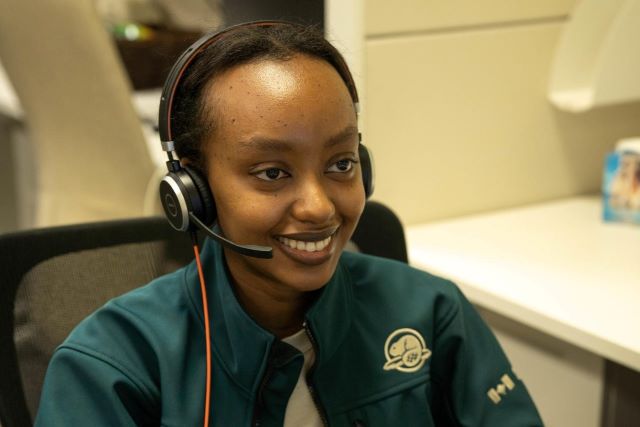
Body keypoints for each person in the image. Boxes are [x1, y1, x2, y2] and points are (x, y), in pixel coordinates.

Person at [35, 21, 544, 426]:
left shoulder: (432, 313)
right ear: (195, 193)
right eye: (273, 173)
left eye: (341, 164)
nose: (319, 207)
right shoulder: (111, 364)